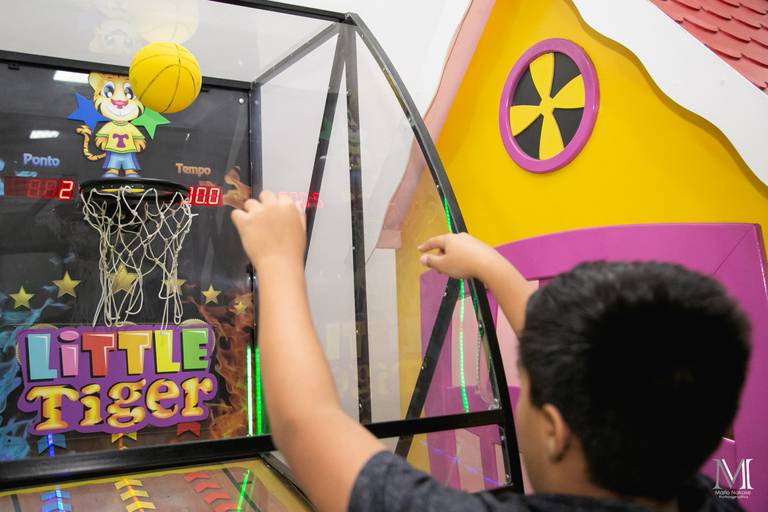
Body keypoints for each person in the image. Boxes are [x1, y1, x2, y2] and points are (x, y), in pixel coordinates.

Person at [231, 191, 751, 512]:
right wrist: (492, 266)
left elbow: (306, 423)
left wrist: (278, 260)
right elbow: (594, 350)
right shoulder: (691, 483)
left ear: (554, 430)